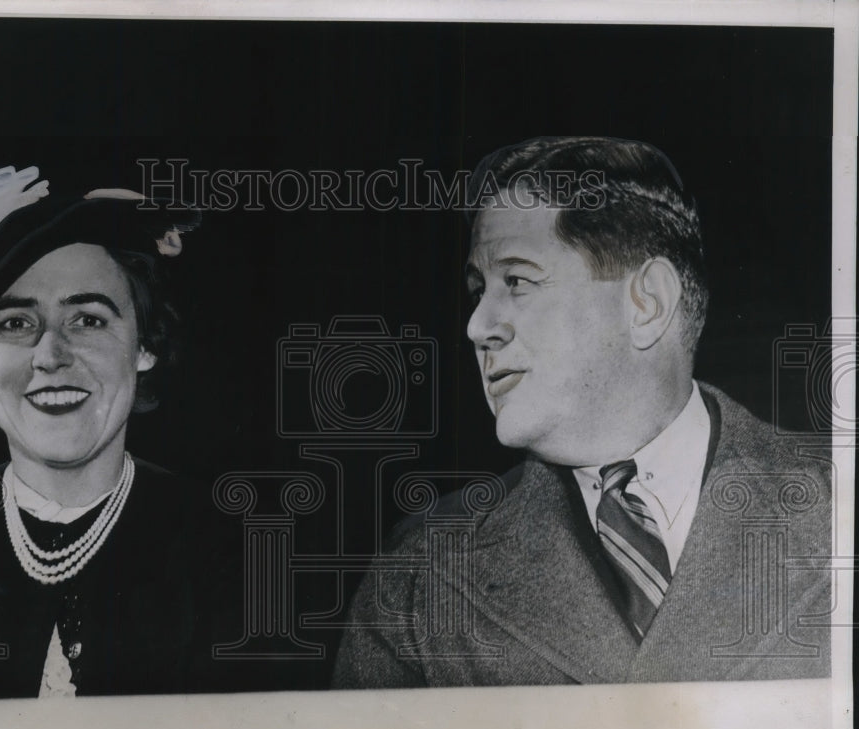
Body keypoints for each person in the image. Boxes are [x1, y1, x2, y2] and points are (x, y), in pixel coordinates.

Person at [334, 137, 833, 687]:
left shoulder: (840, 508)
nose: (477, 326)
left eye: (517, 281)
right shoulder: (420, 574)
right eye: (478, 290)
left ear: (646, 304)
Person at [0, 161, 225, 699]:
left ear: (145, 345)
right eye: (15, 323)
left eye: (88, 319)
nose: (50, 356)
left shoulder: (228, 546)